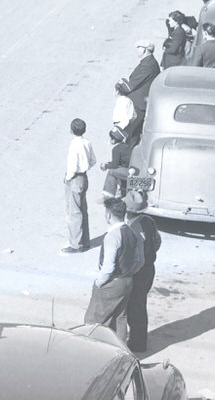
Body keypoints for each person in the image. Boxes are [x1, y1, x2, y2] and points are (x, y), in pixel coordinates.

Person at [83, 198, 143, 342]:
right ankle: (120, 353)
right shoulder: (131, 232)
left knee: (93, 321)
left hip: (112, 283)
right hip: (127, 281)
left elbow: (108, 267)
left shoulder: (112, 236)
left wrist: (99, 282)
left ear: (109, 215)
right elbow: (140, 260)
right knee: (119, 319)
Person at [124, 191, 161, 354]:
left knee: (135, 308)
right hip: (149, 269)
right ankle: (138, 339)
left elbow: (132, 254)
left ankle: (137, 344)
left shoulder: (132, 228)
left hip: (138, 271)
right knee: (139, 305)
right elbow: (158, 242)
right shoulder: (149, 221)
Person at [62, 118, 96, 255]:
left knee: (74, 212)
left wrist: (67, 178)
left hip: (75, 178)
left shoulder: (74, 145)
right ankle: (85, 241)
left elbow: (72, 165)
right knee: (83, 209)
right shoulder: (87, 143)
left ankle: (75, 244)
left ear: (71, 130)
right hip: (84, 177)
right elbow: (93, 160)